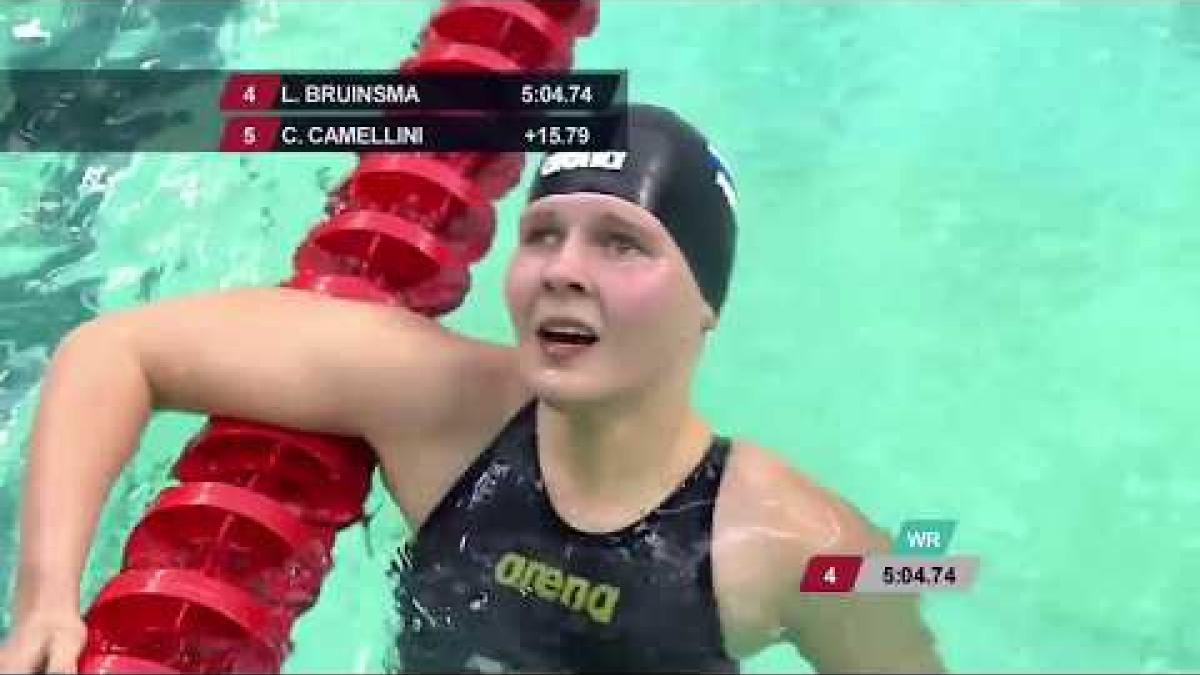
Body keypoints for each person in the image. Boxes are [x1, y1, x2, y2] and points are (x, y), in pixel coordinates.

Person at [0, 104, 945, 674]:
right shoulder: (439, 406)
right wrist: (45, 598)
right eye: (543, 234)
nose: (563, 270)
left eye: (621, 243)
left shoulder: (798, 546)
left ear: (707, 304)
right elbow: (113, 351)